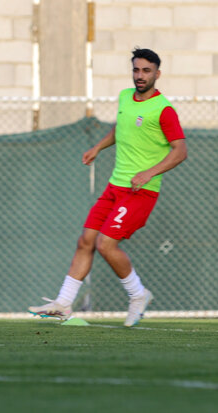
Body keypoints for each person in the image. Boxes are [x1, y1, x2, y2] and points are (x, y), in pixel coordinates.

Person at [28, 48, 187, 327]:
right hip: (115, 187)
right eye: (136, 70)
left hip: (141, 192)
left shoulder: (163, 110)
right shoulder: (126, 97)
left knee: (105, 244)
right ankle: (63, 303)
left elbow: (180, 151)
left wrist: (147, 173)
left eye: (146, 71)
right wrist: (98, 148)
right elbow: (122, 128)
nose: (140, 75)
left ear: (157, 74)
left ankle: (138, 295)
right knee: (85, 241)